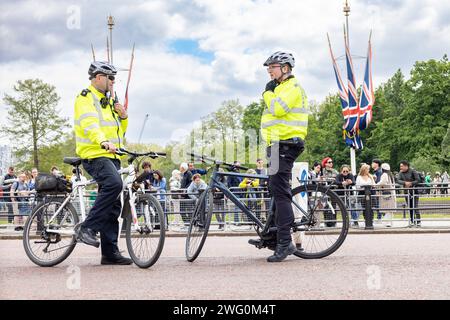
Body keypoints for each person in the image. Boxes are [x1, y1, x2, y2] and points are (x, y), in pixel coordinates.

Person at [250, 51, 308, 262]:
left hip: (286, 144)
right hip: (277, 145)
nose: (269, 71)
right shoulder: (281, 87)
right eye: (268, 68)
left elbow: (277, 109)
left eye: (272, 67)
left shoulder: (291, 87)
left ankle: (285, 243)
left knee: (281, 193)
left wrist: (267, 93)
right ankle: (272, 236)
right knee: (275, 188)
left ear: (285, 68)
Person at [73, 60, 132, 265]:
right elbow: (89, 124)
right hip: (94, 153)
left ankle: (109, 253)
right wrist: (102, 141)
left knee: (114, 204)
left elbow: (119, 132)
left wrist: (123, 117)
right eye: (111, 78)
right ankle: (87, 228)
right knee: (114, 184)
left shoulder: (109, 101)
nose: (114, 82)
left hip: (112, 156)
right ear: (99, 77)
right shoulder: (86, 98)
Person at [396, 160, 421, 227]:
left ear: (406, 166)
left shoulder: (413, 171)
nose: (400, 167)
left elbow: (418, 180)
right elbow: (398, 180)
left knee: (415, 206)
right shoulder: (400, 173)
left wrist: (411, 183)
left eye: (402, 166)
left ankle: (418, 221)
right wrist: (404, 183)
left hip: (414, 192)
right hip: (407, 192)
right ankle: (412, 221)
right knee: (410, 207)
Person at [376, 163, 396, 227]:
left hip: (386, 192)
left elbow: (383, 182)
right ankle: (389, 222)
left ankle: (387, 222)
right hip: (391, 192)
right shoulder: (390, 174)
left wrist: (376, 185)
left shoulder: (384, 174)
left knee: (387, 207)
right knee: (390, 208)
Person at [356, 164, 375, 228]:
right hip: (362, 193)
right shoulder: (359, 177)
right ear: (364, 169)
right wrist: (363, 187)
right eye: (367, 169)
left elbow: (374, 185)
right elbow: (357, 186)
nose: (368, 170)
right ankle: (366, 220)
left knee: (371, 208)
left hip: (370, 193)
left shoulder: (370, 176)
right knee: (364, 208)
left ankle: (371, 221)